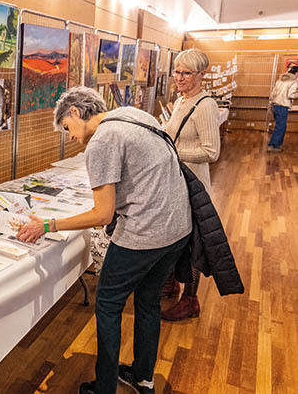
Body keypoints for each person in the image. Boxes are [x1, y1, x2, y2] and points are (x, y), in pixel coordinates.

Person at [17, 86, 192, 394]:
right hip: (177, 229)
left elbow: (103, 214)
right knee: (148, 301)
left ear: (75, 112)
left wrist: (48, 225)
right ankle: (143, 379)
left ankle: (105, 388)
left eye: (67, 128)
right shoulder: (133, 114)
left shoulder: (101, 141)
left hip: (144, 233)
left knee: (109, 305)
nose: (70, 137)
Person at [160, 48, 221, 321]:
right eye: (177, 71)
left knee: (193, 244)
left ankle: (190, 299)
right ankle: (172, 282)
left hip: (193, 185)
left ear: (201, 74)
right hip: (177, 182)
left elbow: (211, 152)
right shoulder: (182, 100)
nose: (180, 77)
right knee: (176, 237)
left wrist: (173, 152)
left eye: (186, 73)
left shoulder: (205, 106)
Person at [267, 65, 298, 152]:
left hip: (275, 105)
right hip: (283, 106)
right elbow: (291, 95)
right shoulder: (293, 82)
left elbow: (272, 93)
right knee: (280, 127)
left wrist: (270, 104)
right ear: (296, 73)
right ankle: (273, 146)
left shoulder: (280, 80)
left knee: (280, 126)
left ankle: (276, 145)